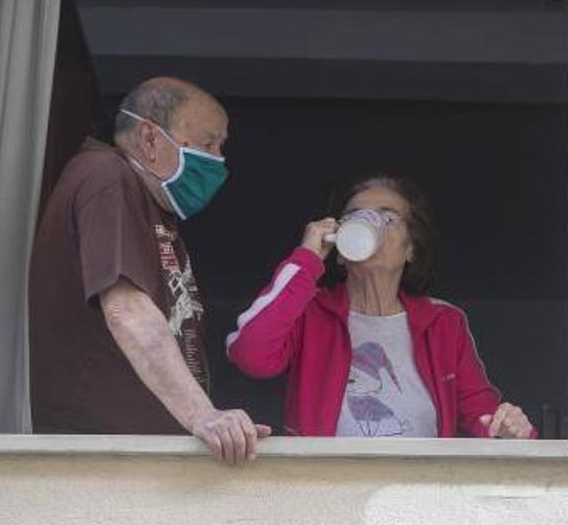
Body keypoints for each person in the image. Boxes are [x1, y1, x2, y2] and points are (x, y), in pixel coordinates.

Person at [29, 77, 270, 465]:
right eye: (208, 144)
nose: (218, 161)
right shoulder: (106, 176)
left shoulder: (145, 202)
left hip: (131, 459)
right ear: (150, 138)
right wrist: (204, 416)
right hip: (104, 459)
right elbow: (126, 310)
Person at [227, 174, 535, 439]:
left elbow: (481, 416)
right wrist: (306, 260)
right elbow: (251, 355)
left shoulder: (443, 321)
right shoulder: (310, 312)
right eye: (355, 218)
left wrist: (508, 426)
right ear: (340, 248)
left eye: (388, 218)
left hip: (417, 494)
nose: (370, 227)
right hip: (325, 491)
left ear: (411, 247)